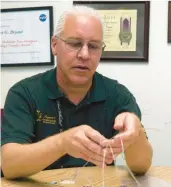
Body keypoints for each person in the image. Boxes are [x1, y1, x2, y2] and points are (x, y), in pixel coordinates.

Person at [1, 5, 153, 179]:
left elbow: (141, 167)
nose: (85, 54)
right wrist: (62, 143)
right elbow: (9, 165)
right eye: (75, 43)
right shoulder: (24, 93)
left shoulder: (118, 95)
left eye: (94, 46)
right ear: (54, 45)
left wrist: (135, 133)